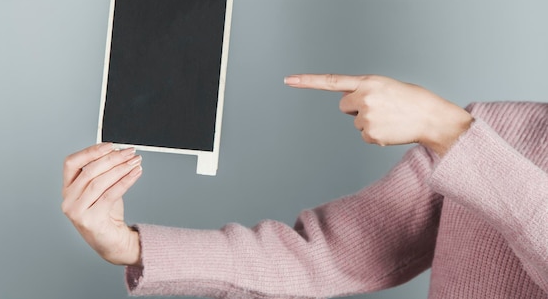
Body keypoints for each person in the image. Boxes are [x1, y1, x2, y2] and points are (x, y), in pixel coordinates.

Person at [62, 74, 548, 299]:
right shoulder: (495, 127)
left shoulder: (462, 134)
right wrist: (133, 247)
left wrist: (449, 131)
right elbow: (321, 258)